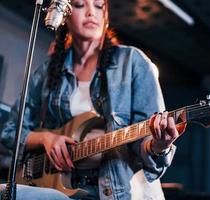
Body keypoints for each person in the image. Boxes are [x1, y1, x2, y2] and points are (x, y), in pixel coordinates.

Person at [0, 0, 186, 199]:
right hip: (57, 188)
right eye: (80, 5)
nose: (91, 12)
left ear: (106, 17)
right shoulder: (46, 72)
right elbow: (10, 131)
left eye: (98, 6)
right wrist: (46, 138)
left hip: (119, 191)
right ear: (65, 16)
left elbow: (146, 145)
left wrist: (159, 145)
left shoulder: (133, 62)